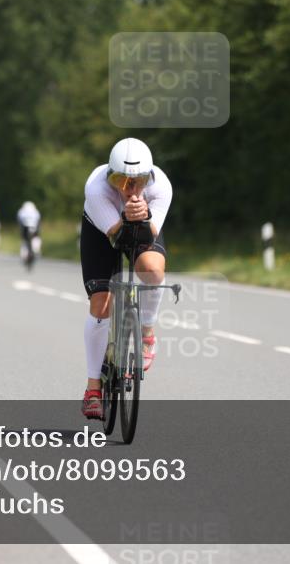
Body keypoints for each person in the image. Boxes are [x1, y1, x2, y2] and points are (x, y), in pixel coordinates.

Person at [79, 138, 171, 420]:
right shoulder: (97, 189)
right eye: (121, 179)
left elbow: (148, 234)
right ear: (110, 176)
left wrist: (141, 215)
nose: (130, 188)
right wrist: (126, 214)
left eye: (139, 180)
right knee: (101, 306)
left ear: (150, 176)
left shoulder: (161, 187)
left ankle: (146, 333)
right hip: (102, 230)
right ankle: (93, 387)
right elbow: (116, 236)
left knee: (153, 271)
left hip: (142, 227)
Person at [17, 201, 42, 267]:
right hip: (34, 230)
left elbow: (19, 223)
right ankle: (36, 251)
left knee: (24, 242)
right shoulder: (36, 212)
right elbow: (39, 222)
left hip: (25, 230)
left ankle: (27, 254)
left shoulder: (21, 212)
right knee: (36, 240)